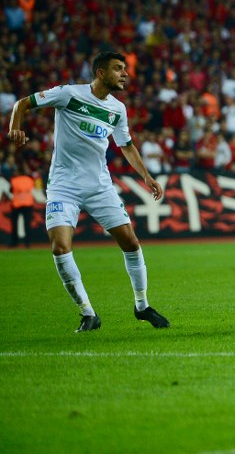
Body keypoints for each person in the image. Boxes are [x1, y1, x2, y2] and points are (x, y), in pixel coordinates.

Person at [7, 51, 170, 332]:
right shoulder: (68, 94)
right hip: (63, 186)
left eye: (125, 69)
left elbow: (126, 145)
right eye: (118, 69)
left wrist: (146, 176)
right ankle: (88, 313)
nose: (125, 73)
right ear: (100, 73)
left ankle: (142, 306)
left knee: (130, 242)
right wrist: (15, 128)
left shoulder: (117, 109)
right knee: (60, 246)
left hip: (99, 186)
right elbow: (23, 104)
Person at [9, 162, 36, 248]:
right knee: (27, 225)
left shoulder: (14, 180)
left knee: (15, 225)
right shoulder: (29, 179)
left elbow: (11, 190)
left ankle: (14, 243)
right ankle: (27, 243)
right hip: (28, 204)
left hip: (16, 204)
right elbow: (32, 189)